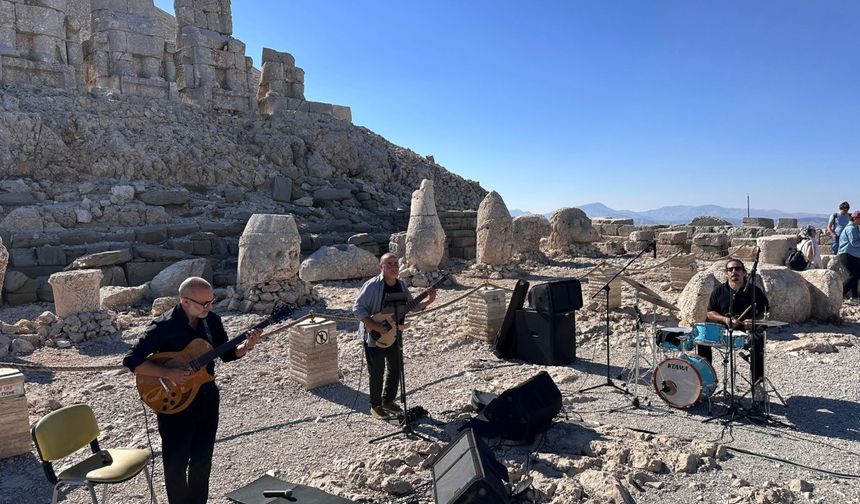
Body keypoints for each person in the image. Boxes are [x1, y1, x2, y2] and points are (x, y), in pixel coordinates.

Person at [123, 277, 262, 504]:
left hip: (206, 398)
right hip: (174, 403)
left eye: (211, 302)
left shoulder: (212, 321)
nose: (209, 307)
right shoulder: (163, 326)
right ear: (185, 301)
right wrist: (168, 374)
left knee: (202, 460)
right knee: (176, 463)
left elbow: (226, 355)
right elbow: (131, 360)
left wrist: (246, 347)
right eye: (203, 304)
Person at [353, 253, 436, 419]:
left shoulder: (402, 285)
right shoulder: (372, 286)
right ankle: (375, 406)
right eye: (389, 264)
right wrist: (375, 326)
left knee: (395, 368)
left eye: (395, 264)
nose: (393, 267)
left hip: (395, 333)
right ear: (381, 267)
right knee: (377, 371)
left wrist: (429, 300)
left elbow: (411, 306)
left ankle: (388, 401)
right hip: (374, 335)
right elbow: (358, 308)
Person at [700, 258, 769, 393]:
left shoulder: (755, 291)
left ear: (744, 273)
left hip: (746, 330)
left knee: (758, 339)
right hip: (723, 330)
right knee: (702, 339)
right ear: (726, 274)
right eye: (730, 269)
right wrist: (725, 320)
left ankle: (757, 384)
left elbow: (765, 312)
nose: (734, 272)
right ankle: (706, 380)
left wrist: (754, 321)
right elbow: (710, 312)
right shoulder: (719, 291)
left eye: (737, 269)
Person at [837, 210, 860, 301]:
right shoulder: (851, 229)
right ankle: (841, 293)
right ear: (855, 218)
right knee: (855, 275)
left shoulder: (855, 228)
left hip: (853, 255)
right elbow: (854, 242)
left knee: (855, 275)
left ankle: (853, 295)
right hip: (847, 255)